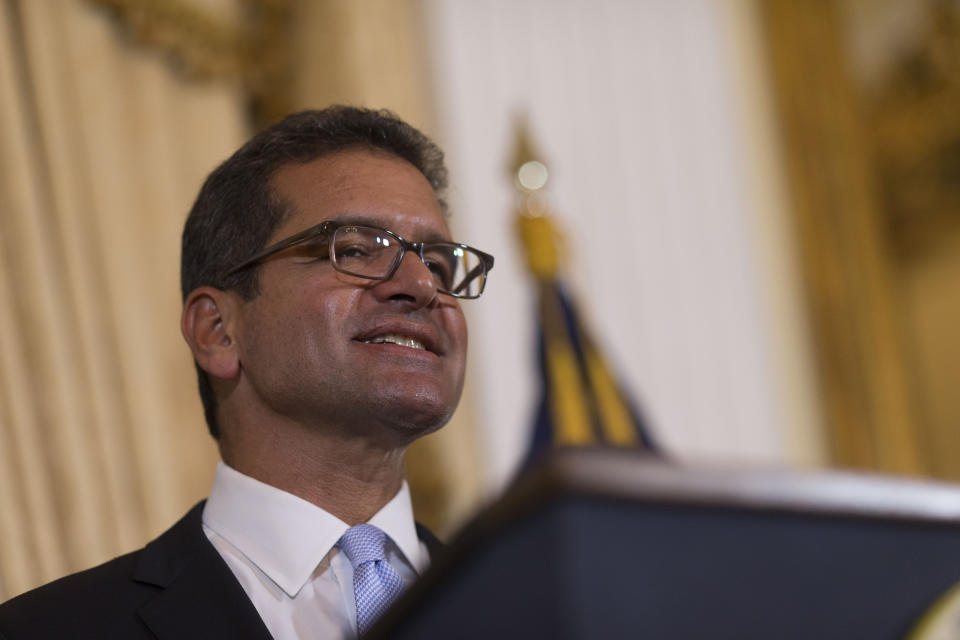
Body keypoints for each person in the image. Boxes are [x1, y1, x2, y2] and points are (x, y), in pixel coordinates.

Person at [0, 106, 494, 639]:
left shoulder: (551, 615)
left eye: (440, 265)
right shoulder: (46, 630)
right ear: (217, 330)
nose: (422, 286)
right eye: (355, 249)